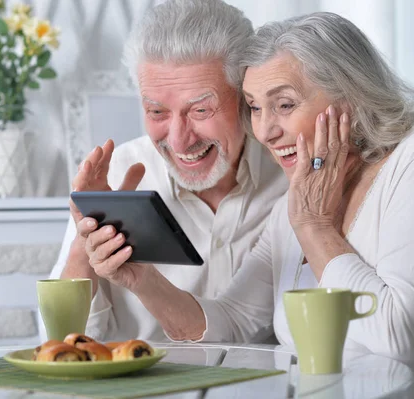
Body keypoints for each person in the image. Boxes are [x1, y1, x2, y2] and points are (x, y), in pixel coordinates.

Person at [82, 11, 414, 363]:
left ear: (350, 100)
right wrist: (141, 280)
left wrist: (314, 228)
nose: (265, 131)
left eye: (284, 105)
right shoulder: (295, 202)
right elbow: (235, 321)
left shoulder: (403, 168)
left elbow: (401, 336)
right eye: (255, 107)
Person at [46, 0, 287, 342]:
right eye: (157, 112)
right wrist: (83, 243)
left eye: (201, 110)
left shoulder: (289, 177)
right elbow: (60, 343)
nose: (179, 140)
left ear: (245, 99)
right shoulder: (115, 175)